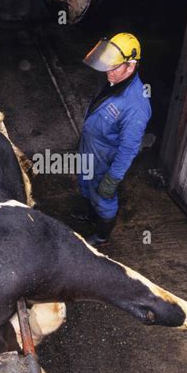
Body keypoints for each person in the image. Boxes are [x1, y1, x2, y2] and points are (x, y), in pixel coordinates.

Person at [72, 32, 151, 246]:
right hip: (91, 150)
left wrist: (112, 179)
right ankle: (91, 213)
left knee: (102, 196)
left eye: (114, 67)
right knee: (86, 184)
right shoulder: (114, 81)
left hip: (104, 161)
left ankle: (102, 235)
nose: (108, 71)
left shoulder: (136, 106)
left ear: (131, 66)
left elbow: (129, 149)